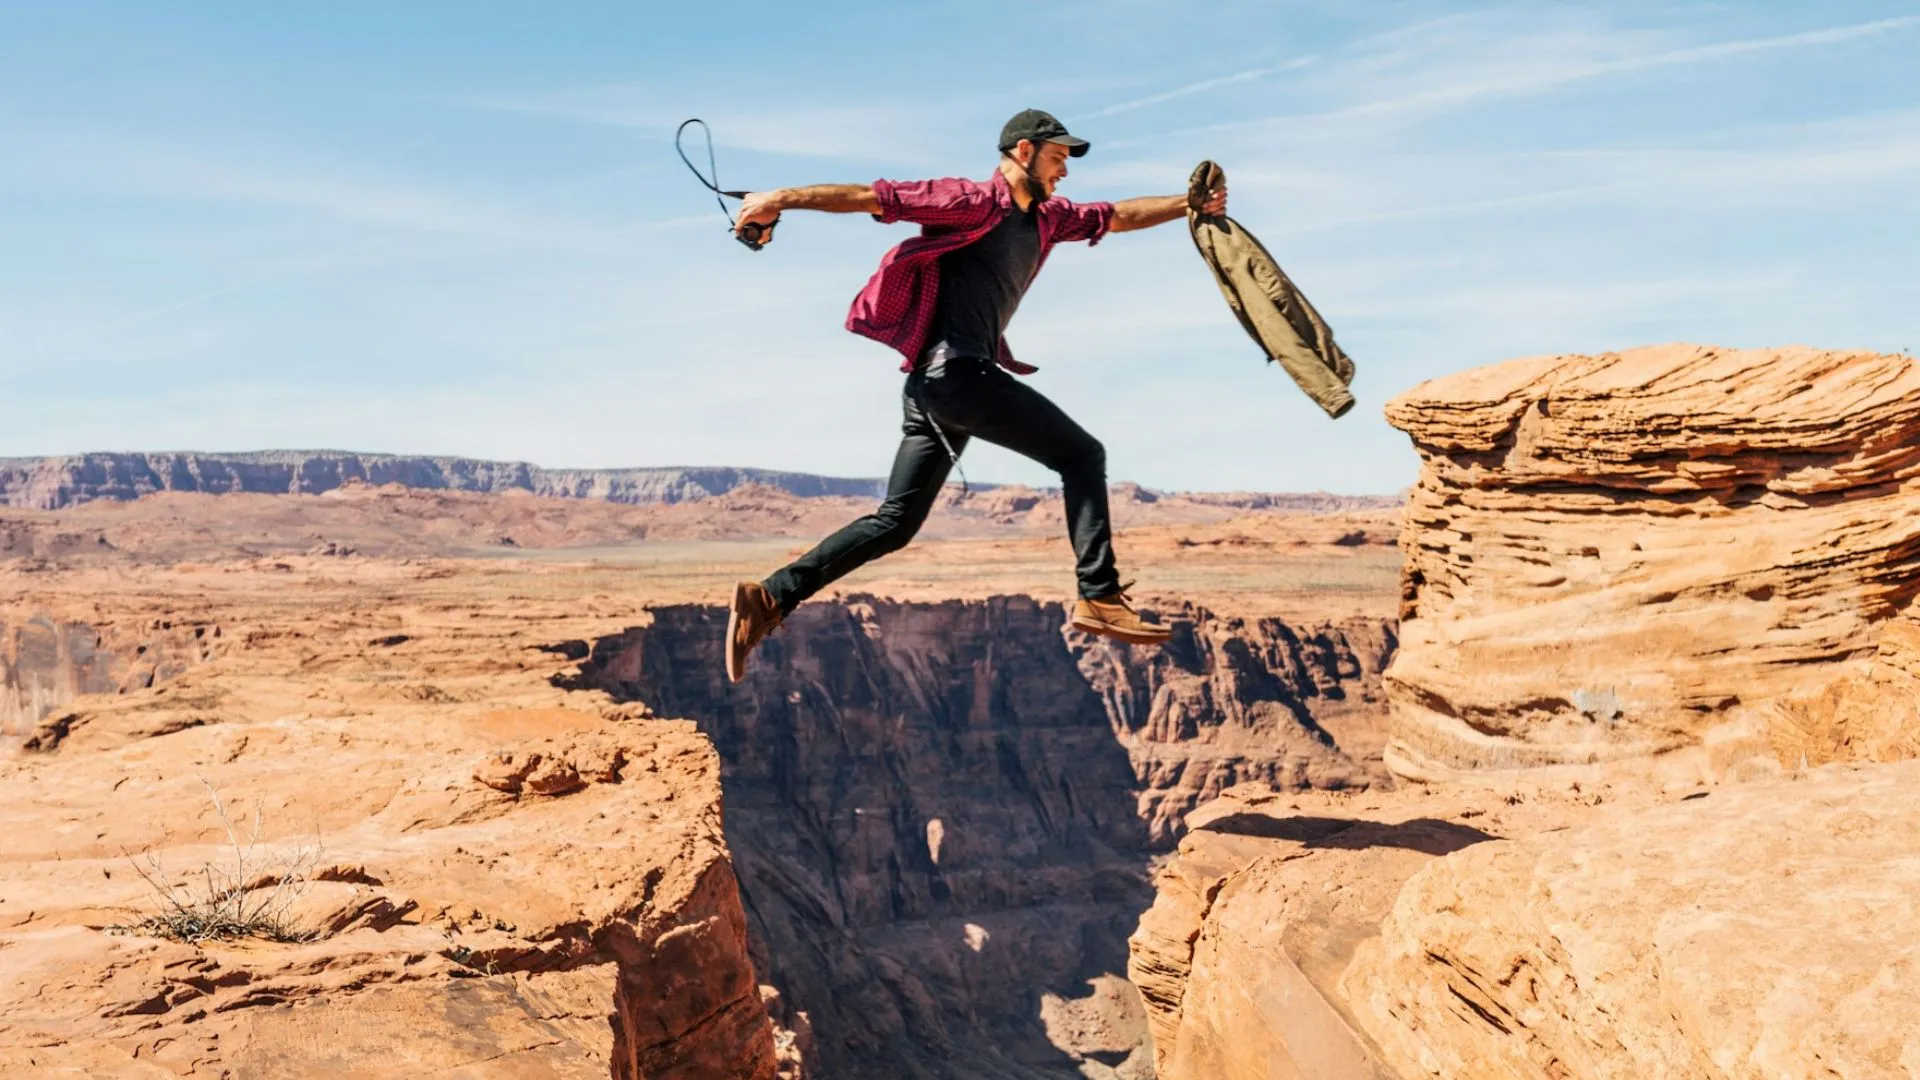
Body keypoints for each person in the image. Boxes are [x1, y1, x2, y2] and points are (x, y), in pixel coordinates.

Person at [723, 108, 1227, 683]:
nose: (1064, 172)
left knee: (895, 523)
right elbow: (870, 197)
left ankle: (770, 598)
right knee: (1081, 456)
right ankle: (1099, 594)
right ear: (1022, 152)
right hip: (955, 377)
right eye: (1057, 157)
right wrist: (778, 198)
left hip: (934, 389)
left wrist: (1188, 205)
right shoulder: (970, 201)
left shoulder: (1047, 218)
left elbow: (1116, 215)